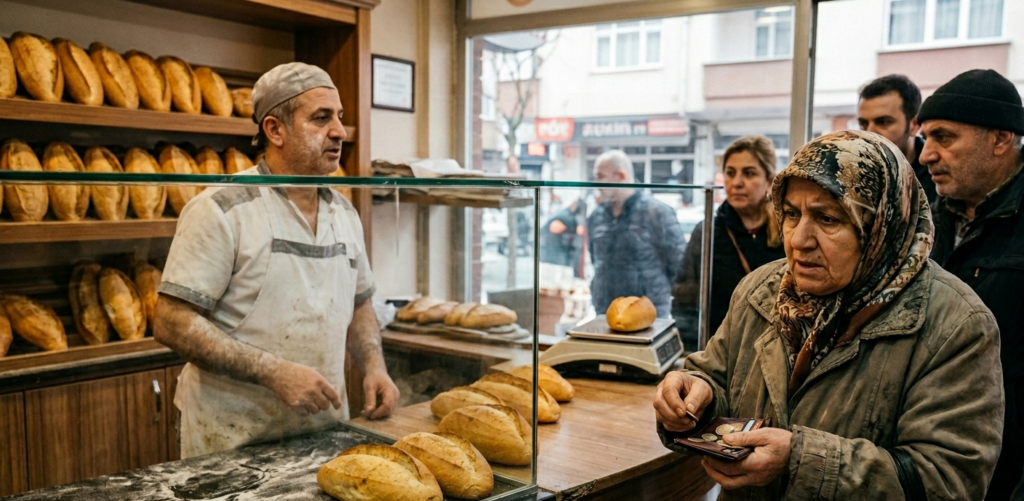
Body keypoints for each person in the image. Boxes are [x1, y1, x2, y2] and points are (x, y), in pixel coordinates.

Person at [654, 130, 1003, 499]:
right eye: (791, 214)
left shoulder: (956, 326)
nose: (799, 239)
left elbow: (948, 482)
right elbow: (718, 380)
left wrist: (799, 461)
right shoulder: (762, 290)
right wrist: (695, 397)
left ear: (879, 226)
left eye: (828, 219)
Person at [154, 62, 399, 458]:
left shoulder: (344, 213)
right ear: (274, 130)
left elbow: (360, 304)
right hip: (229, 440)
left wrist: (374, 366)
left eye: (339, 117)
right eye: (321, 118)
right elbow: (171, 322)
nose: (339, 130)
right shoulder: (222, 209)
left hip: (321, 432)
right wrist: (272, 372)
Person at [917, 69, 1024, 500]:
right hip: (926, 459)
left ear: (1000, 139)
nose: (927, 155)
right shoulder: (922, 219)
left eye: (944, 137)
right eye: (925, 138)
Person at [673, 135, 785, 344]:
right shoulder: (708, 232)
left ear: (770, 180)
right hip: (721, 353)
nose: (737, 183)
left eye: (749, 173)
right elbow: (684, 302)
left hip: (777, 353)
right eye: (730, 173)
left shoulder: (787, 231)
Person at [588, 150, 685, 317]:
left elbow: (679, 267)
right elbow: (595, 260)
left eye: (600, 176)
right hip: (606, 313)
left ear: (621, 176)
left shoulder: (657, 213)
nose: (596, 183)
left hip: (648, 315)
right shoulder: (596, 216)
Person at [857, 74, 937, 204]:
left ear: (914, 125)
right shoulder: (849, 173)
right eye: (863, 124)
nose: (869, 133)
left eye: (883, 122)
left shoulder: (938, 176)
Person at [539, 197, 587, 277]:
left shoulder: (572, 216)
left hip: (564, 255)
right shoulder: (563, 215)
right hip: (554, 256)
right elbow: (554, 227)